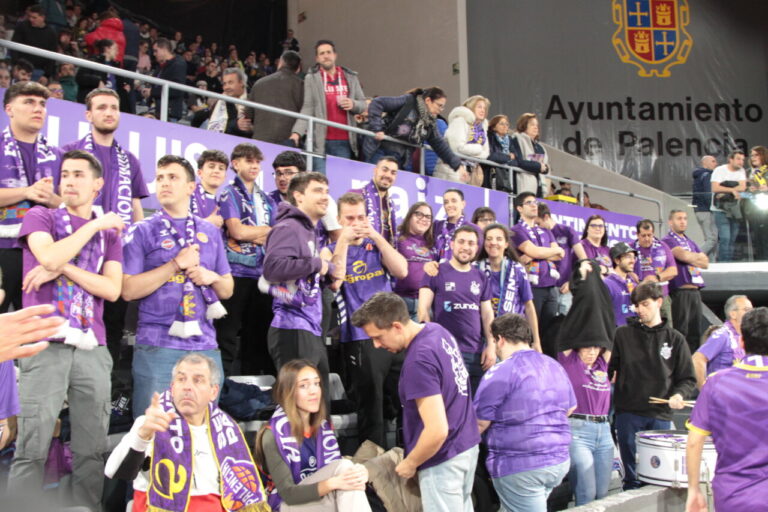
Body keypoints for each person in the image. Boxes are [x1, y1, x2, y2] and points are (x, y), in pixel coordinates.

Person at [10, 149, 124, 511]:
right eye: (65, 174)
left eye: (78, 175)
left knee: (91, 450)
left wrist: (66, 268)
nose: (69, 181)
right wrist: (92, 225)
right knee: (32, 446)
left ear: (97, 184)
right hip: (44, 342)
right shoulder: (40, 214)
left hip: (93, 345)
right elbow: (47, 258)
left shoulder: (111, 235)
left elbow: (112, 289)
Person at [122, 155, 233, 416]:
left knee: (202, 431)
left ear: (191, 187)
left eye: (173, 178)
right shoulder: (141, 230)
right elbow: (128, 290)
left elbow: (227, 289)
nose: (164, 183)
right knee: (152, 434)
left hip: (205, 345)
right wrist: (175, 265)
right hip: (158, 345)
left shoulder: (211, 231)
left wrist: (212, 278)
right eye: (160, 178)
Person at [352, 292, 481, 512]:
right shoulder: (437, 331)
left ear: (396, 327)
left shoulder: (418, 361)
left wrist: (411, 462)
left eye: (378, 337)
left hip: (444, 459)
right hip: (466, 447)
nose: (375, 345)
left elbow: (437, 430)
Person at [105, 353, 271, 511]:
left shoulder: (227, 431)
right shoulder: (151, 423)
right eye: (181, 379)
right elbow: (116, 472)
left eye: (197, 381)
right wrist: (143, 436)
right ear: (172, 387)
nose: (187, 387)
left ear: (213, 392)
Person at [63, 88, 149, 375]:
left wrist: (137, 250)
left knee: (112, 326)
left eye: (114, 107)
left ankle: (105, 387)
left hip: (116, 255)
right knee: (66, 319)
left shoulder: (130, 160)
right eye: (101, 107)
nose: (109, 112)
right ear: (89, 115)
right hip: (77, 252)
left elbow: (136, 209)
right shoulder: (69, 154)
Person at [322, 193, 407, 447]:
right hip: (360, 338)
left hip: (395, 334)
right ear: (339, 220)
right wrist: (344, 242)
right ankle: (372, 474)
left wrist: (377, 236)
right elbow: (335, 281)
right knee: (372, 411)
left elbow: (401, 270)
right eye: (350, 218)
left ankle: (406, 459)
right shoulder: (329, 250)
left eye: (361, 217)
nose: (356, 223)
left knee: (408, 400)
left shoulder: (377, 245)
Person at [475, 313, 575, 512]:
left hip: (520, 467)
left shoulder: (500, 372)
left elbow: (479, 423)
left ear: (500, 340)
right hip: (558, 462)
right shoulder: (553, 365)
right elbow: (570, 408)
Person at [609, 282, 696, 490]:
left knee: (658, 473)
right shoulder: (622, 334)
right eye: (637, 305)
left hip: (660, 414)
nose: (640, 309)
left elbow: (687, 379)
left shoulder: (675, 339)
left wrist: (678, 395)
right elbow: (611, 370)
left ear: (659, 302)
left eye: (645, 304)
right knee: (630, 474)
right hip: (628, 412)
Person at [255, 359, 370, 511]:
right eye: (304, 385)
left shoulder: (323, 427)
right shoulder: (272, 434)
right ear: (287, 391)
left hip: (318, 499)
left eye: (316, 383)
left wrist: (360, 475)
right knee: (344, 476)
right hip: (285, 505)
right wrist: (333, 483)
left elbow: (336, 470)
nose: (313, 391)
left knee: (349, 472)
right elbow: (288, 494)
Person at [262, 172, 340, 397]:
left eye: (326, 191)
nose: (325, 197)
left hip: (309, 326)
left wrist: (327, 271)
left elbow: (306, 272)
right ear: (298, 196)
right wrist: (317, 263)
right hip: (292, 327)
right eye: (317, 191)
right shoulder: (288, 227)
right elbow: (272, 269)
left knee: (318, 405)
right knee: (297, 407)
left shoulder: (309, 231)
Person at [685, 307, 768, 512]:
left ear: (741, 342)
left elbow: (694, 443)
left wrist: (694, 490)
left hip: (732, 496)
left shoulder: (715, 384)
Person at [0, 82, 62, 313]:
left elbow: (68, 206)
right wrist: (26, 192)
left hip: (43, 254)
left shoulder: (58, 156)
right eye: (29, 102)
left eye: (42, 104)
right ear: (9, 109)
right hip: (3, 248)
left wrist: (51, 199)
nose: (38, 109)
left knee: (37, 330)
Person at [216, 143, 277, 377]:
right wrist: (265, 231)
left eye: (257, 162)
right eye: (248, 161)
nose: (253, 166)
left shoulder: (266, 198)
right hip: (235, 273)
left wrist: (263, 232)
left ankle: (254, 390)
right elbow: (237, 232)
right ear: (235, 163)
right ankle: (223, 387)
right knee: (228, 334)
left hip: (262, 275)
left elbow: (276, 234)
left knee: (258, 335)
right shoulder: (229, 193)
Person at [418, 225, 494, 393]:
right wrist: (432, 344)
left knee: (474, 410)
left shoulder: (481, 277)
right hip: (446, 352)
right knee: (449, 408)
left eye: (471, 243)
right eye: (461, 241)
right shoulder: (435, 271)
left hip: (475, 354)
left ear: (477, 248)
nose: (466, 247)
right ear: (452, 245)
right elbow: (423, 311)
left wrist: (491, 345)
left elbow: (487, 314)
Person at [289, 40, 367, 172]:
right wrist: (296, 133)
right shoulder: (311, 78)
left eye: (328, 52)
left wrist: (353, 104)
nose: (326, 56)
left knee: (339, 182)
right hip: (320, 142)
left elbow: (363, 104)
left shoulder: (350, 76)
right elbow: (308, 107)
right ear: (317, 58)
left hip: (344, 141)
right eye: (322, 53)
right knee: (320, 182)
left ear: (335, 55)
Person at [364, 87, 466, 176]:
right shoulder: (408, 101)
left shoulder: (430, 123)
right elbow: (378, 102)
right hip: (380, 149)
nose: (441, 110)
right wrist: (377, 129)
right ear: (428, 100)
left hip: (401, 158)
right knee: (373, 178)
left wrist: (457, 165)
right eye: (439, 105)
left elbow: (439, 144)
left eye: (443, 107)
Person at [558, 344, 612, 506]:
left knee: (602, 493)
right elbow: (568, 336)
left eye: (596, 348)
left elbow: (609, 337)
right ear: (578, 348)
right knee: (586, 492)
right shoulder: (570, 361)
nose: (592, 352)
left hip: (604, 430)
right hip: (579, 429)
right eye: (587, 348)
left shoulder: (601, 363)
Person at [511, 192, 564, 357]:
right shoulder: (516, 230)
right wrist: (539, 252)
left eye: (535, 202)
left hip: (551, 287)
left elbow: (560, 254)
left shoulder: (545, 231)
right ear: (519, 208)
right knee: (531, 330)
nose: (534, 205)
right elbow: (534, 250)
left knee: (549, 331)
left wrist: (537, 254)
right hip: (532, 287)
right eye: (529, 203)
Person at [477, 223, 540, 350]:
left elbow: (529, 306)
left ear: (506, 244)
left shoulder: (517, 269)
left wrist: (536, 342)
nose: (493, 242)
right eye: (489, 239)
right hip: (483, 337)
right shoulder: (476, 268)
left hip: (513, 337)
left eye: (499, 239)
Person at [663, 210, 709, 353]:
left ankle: (693, 365)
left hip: (695, 291)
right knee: (680, 330)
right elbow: (682, 256)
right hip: (680, 291)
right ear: (670, 222)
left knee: (695, 331)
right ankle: (679, 363)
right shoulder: (668, 240)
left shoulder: (691, 241)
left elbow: (706, 262)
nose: (683, 221)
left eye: (685, 218)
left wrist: (691, 257)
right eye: (679, 219)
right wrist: (694, 258)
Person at [536, 202, 587, 316]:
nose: (537, 227)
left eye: (538, 223)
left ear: (546, 217)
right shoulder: (536, 234)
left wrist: (572, 282)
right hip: (545, 287)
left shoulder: (567, 231)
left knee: (565, 323)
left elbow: (584, 260)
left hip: (565, 286)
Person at [692, 295, 752, 389]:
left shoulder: (746, 336)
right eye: (746, 309)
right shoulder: (722, 335)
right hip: (722, 396)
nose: (751, 313)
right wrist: (704, 389)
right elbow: (697, 359)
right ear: (733, 314)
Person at [246, 50, 303, 144]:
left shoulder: (259, 83)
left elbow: (247, 115)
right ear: (298, 68)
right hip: (288, 143)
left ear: (280, 63)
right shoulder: (302, 86)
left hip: (260, 142)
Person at [394, 202, 438, 319]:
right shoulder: (397, 239)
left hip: (425, 304)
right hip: (400, 302)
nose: (424, 219)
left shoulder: (433, 244)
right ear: (410, 216)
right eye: (419, 214)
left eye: (428, 217)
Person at [433, 95, 490, 184]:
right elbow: (458, 148)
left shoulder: (482, 128)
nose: (483, 110)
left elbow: (486, 153)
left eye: (484, 108)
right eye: (479, 107)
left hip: (471, 171)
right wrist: (478, 149)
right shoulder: (460, 121)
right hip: (451, 170)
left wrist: (470, 153)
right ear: (471, 107)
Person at [632, 219, 677, 326]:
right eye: (643, 235)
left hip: (662, 296)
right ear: (637, 234)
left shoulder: (663, 246)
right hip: (640, 297)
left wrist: (656, 277)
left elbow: (673, 270)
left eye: (650, 235)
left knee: (667, 329)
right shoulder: (630, 248)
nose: (647, 239)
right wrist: (631, 274)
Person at [349, 157, 398, 245]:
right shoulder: (356, 194)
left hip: (383, 256)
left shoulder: (391, 205)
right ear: (375, 171)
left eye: (393, 173)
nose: (388, 175)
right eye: (384, 170)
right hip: (361, 255)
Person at [710, 150, 747, 262]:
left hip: (735, 209)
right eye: (738, 159)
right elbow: (715, 188)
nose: (741, 162)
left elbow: (743, 187)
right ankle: (723, 263)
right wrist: (733, 190)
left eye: (743, 160)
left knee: (732, 239)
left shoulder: (741, 171)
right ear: (730, 159)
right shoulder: (719, 170)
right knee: (725, 238)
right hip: (720, 210)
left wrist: (725, 189)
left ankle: (729, 263)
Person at [74, 39, 130, 109]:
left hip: (112, 104)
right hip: (96, 102)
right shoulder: (93, 61)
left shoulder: (116, 66)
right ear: (107, 49)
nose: (117, 52)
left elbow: (119, 87)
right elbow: (80, 77)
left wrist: (124, 89)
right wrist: (97, 81)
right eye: (115, 49)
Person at [432, 188, 480, 262]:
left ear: (463, 204)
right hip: (436, 271)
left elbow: (476, 258)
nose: (449, 205)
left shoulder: (473, 229)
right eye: (446, 202)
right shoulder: (436, 225)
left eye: (454, 201)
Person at [11, 5, 58, 79]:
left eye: (34, 17)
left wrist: (46, 75)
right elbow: (14, 47)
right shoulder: (22, 26)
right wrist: (15, 65)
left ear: (42, 17)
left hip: (40, 71)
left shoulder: (51, 33)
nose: (31, 19)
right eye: (30, 16)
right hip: (21, 68)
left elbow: (52, 55)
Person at [510, 113, 550, 195]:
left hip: (540, 187)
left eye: (537, 125)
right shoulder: (517, 139)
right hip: (523, 185)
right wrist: (538, 166)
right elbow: (518, 161)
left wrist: (545, 168)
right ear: (524, 126)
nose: (536, 127)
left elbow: (546, 167)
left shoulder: (540, 147)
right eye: (532, 125)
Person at [206, 68, 252, 137]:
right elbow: (214, 128)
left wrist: (251, 128)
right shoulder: (218, 104)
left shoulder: (253, 101)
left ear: (241, 83)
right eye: (224, 84)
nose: (226, 87)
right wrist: (236, 125)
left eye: (230, 83)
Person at [603, 242, 639, 327]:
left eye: (634, 257)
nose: (632, 261)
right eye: (628, 257)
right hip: (615, 335)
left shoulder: (634, 285)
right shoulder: (607, 284)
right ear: (617, 260)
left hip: (634, 333)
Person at [151, 38, 186, 121]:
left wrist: (152, 92)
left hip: (170, 114)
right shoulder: (160, 66)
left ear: (164, 49)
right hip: (158, 111)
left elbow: (177, 90)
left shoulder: (178, 64)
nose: (154, 54)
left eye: (156, 51)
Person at [190, 149, 228, 224]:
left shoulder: (222, 204)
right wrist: (206, 223)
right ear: (200, 173)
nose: (216, 171)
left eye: (221, 168)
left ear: (225, 176)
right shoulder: (187, 194)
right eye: (211, 166)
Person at [691, 155, 718, 260]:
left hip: (700, 210)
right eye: (713, 161)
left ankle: (712, 265)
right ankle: (693, 258)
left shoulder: (699, 175)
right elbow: (708, 194)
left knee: (711, 239)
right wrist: (713, 208)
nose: (716, 163)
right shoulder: (707, 175)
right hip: (706, 210)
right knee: (712, 239)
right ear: (705, 163)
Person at [745, 146, 768, 260]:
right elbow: (743, 189)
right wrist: (750, 189)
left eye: (756, 155)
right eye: (752, 155)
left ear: (763, 155)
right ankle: (761, 260)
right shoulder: (749, 172)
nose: (753, 157)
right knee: (758, 237)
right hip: (754, 207)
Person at [486, 114, 516, 191]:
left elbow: (516, 160)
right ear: (493, 127)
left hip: (507, 176)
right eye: (501, 124)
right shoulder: (489, 137)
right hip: (492, 175)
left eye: (507, 124)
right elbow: (491, 156)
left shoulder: (510, 140)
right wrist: (508, 157)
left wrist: (503, 158)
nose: (505, 126)